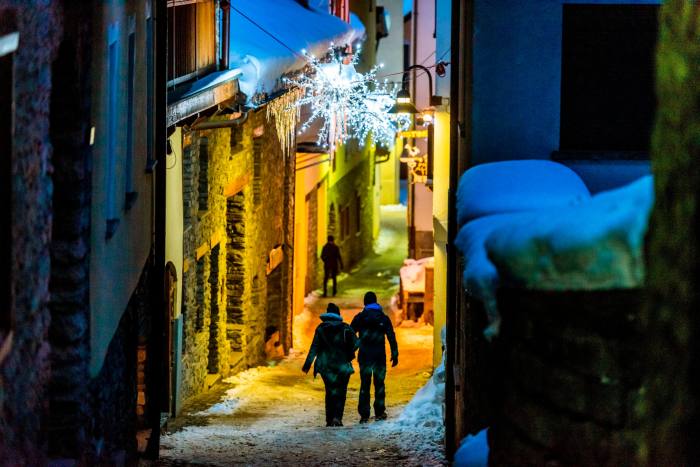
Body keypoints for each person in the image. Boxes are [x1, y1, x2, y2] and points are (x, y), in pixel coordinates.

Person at [302, 303, 358, 427]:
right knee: (341, 392)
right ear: (338, 314)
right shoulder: (345, 328)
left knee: (330, 391)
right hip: (342, 366)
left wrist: (307, 365)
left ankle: (329, 419)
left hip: (326, 366)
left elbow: (314, 347)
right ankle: (337, 418)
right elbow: (356, 343)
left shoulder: (321, 329)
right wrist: (349, 352)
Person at [351, 291, 399, 423]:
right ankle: (379, 412)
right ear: (376, 302)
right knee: (379, 384)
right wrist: (395, 354)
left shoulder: (360, 318)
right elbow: (391, 336)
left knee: (365, 384)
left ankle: (364, 414)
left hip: (365, 356)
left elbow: (349, 333)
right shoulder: (383, 318)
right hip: (379, 356)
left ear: (365, 303)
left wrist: (354, 347)